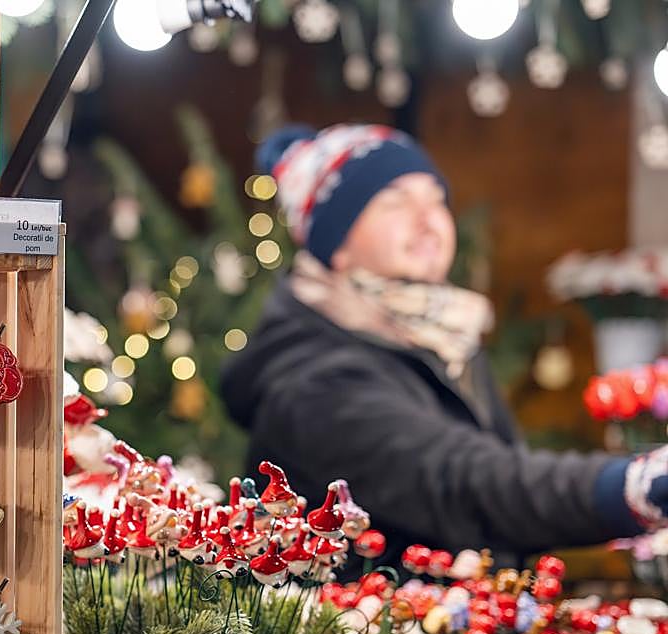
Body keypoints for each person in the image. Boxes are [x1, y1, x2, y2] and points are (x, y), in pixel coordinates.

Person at [220, 123, 668, 566]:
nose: (429, 220)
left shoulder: (443, 338)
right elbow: (462, 482)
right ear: (333, 245)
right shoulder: (311, 378)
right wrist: (634, 486)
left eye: (436, 199)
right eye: (395, 202)